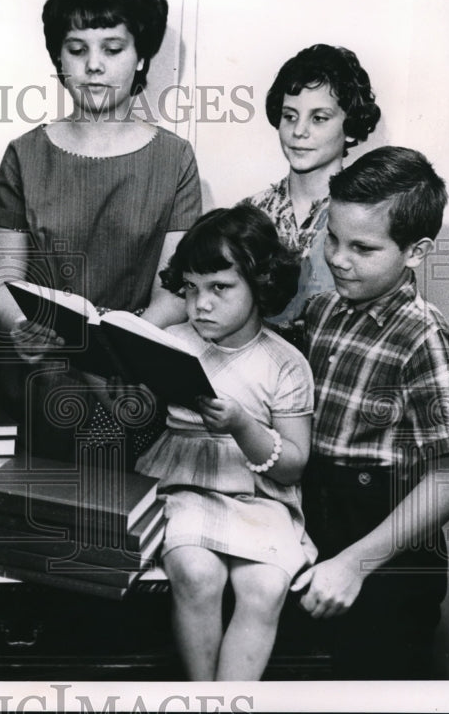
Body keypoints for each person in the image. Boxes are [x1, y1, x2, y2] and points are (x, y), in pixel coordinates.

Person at [0, 0, 202, 462]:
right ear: (58, 57)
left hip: (131, 379)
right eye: (77, 49)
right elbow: (2, 275)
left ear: (141, 56)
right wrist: (19, 325)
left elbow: (176, 290)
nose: (94, 66)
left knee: (119, 521)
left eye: (113, 48)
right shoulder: (24, 153)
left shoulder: (175, 159)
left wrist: (123, 348)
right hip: (36, 375)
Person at [290, 146, 449, 679]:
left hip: (387, 547)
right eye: (332, 238)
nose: (337, 258)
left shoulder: (425, 336)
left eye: (363, 248)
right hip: (321, 512)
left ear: (415, 252)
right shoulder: (322, 309)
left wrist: (355, 563)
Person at [134, 205, 315, 681]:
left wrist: (241, 424)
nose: (201, 305)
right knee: (196, 573)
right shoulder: (172, 342)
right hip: (186, 486)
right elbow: (127, 412)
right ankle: (202, 699)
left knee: (264, 587)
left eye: (219, 288)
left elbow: (292, 466)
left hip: (262, 497)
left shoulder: (286, 363)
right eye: (191, 289)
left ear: (261, 284)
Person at [242, 44, 380, 329]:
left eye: (318, 118)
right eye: (290, 116)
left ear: (351, 125)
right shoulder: (249, 213)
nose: (299, 131)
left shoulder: (369, 216)